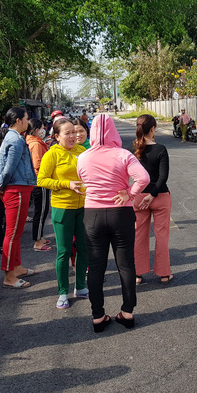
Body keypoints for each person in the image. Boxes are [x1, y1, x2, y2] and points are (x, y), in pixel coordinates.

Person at [77, 115, 149, 332]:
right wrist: (129, 193)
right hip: (121, 213)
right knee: (126, 264)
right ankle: (127, 313)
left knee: (96, 266)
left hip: (93, 215)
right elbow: (143, 178)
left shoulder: (83, 156)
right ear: (113, 131)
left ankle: (98, 316)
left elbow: (83, 180)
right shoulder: (123, 154)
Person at [37, 118, 89, 309]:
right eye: (67, 133)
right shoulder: (52, 155)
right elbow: (41, 180)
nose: (73, 136)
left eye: (74, 133)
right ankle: (62, 292)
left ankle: (81, 287)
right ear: (57, 136)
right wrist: (66, 184)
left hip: (83, 207)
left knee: (83, 249)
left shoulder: (82, 152)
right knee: (64, 251)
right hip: (62, 208)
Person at [0, 107, 38, 288]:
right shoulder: (16, 140)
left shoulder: (12, 138)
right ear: (18, 120)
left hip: (17, 187)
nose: (28, 121)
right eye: (26, 118)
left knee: (16, 233)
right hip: (16, 188)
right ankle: (9, 275)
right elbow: (8, 168)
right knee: (12, 233)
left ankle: (16, 267)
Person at [132, 114, 173, 285]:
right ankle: (164, 274)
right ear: (153, 128)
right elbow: (163, 177)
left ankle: (138, 274)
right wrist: (153, 194)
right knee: (161, 236)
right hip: (160, 196)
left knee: (138, 236)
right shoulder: (161, 149)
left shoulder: (132, 149)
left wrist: (145, 195)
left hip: (139, 198)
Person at [26, 119, 52, 252]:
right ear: (36, 130)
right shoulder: (35, 144)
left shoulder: (34, 142)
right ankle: (37, 241)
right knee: (41, 211)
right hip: (39, 182)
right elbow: (38, 165)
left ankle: (40, 237)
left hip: (39, 181)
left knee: (43, 210)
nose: (44, 130)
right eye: (42, 128)